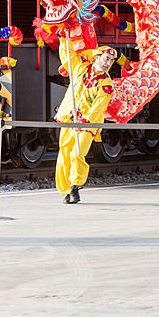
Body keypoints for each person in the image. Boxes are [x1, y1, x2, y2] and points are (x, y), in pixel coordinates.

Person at [54, 45, 117, 204]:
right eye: (105, 58)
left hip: (88, 125)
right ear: (97, 57)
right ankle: (66, 189)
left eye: (110, 61)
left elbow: (99, 107)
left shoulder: (107, 84)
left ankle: (76, 185)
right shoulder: (80, 68)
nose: (107, 63)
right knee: (65, 153)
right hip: (69, 119)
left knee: (77, 152)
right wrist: (63, 38)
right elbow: (67, 55)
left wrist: (86, 120)